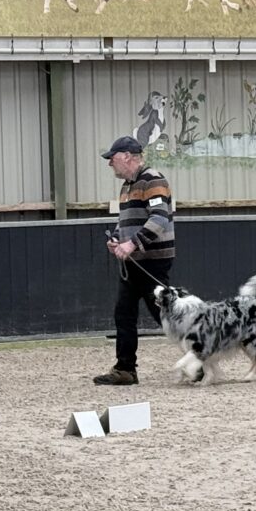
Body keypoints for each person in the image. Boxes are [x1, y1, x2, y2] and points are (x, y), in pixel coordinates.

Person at [93, 136, 176, 386]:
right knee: (124, 314)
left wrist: (132, 243)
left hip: (152, 262)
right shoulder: (127, 187)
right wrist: (117, 238)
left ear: (127, 156)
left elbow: (159, 218)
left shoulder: (153, 180)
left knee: (168, 316)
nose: (110, 163)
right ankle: (125, 368)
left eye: (113, 158)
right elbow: (126, 222)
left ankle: (200, 358)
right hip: (133, 262)